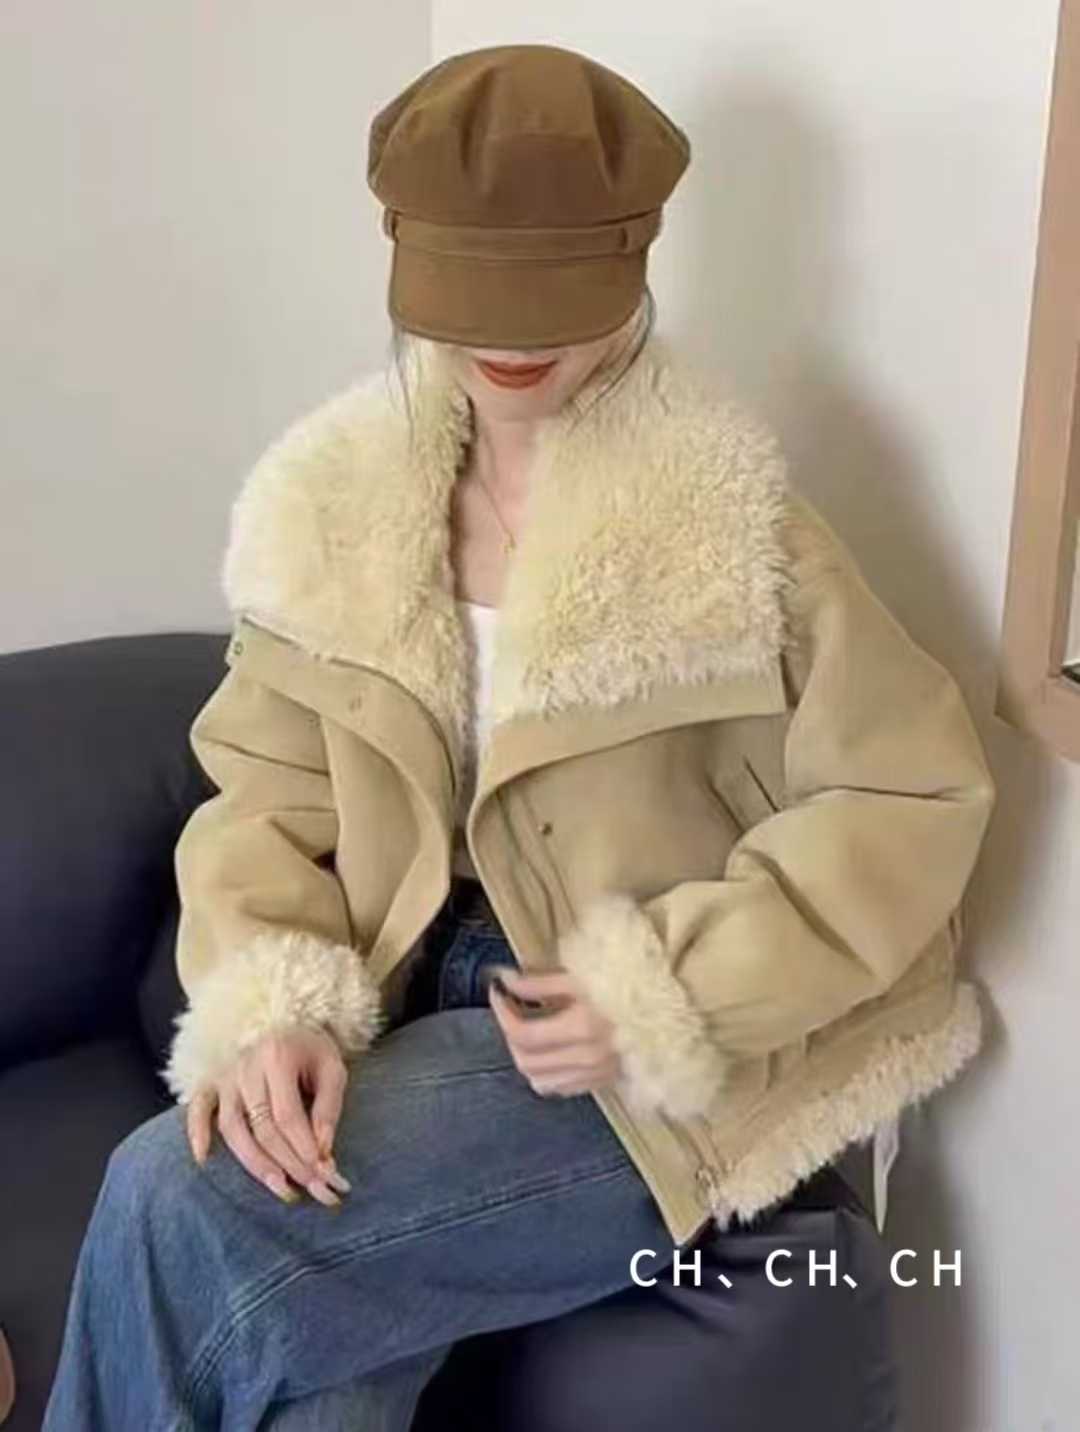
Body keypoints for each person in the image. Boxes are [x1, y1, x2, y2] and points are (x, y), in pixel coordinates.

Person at [42, 43, 996, 1431]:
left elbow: (909, 793)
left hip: (598, 1041)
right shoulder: (335, 511)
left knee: (170, 1197)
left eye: (551, 290)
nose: (511, 338)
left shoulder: (736, 530)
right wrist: (270, 1005)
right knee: (313, 1384)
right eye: (473, 288)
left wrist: (671, 988)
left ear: (635, 258)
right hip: (392, 982)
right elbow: (264, 794)